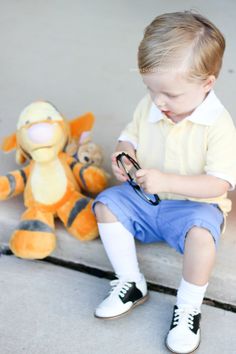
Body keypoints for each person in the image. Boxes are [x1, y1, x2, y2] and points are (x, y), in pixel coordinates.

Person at [93, 11, 236, 354]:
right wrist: (123, 154)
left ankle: (188, 307)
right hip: (147, 199)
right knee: (107, 204)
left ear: (207, 83)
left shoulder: (218, 126)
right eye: (150, 89)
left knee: (202, 239)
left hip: (193, 209)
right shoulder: (152, 106)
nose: (159, 101)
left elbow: (219, 185)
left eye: (170, 94)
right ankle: (131, 282)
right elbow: (130, 137)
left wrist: (167, 180)